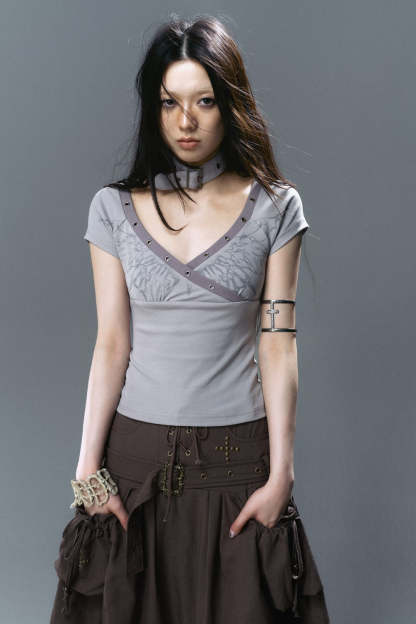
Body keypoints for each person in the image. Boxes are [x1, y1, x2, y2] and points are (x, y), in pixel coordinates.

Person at [50, 15, 330, 624]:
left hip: (239, 465)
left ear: (229, 104)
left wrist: (282, 473)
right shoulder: (113, 209)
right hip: (133, 468)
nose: (185, 121)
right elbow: (111, 343)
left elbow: (278, 342)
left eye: (204, 101)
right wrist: (87, 470)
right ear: (153, 109)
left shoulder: (276, 207)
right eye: (169, 102)